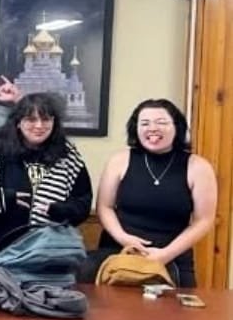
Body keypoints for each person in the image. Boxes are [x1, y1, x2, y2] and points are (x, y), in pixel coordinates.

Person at [91, 98, 216, 287]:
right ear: (136, 129)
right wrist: (124, 239)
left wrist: (165, 254)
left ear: (177, 127)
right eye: (145, 123)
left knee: (176, 314)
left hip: (172, 256)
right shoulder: (120, 160)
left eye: (161, 122)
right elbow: (104, 207)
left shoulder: (198, 166)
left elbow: (203, 220)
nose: (152, 128)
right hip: (119, 252)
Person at [0, 92, 92, 246]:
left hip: (49, 246)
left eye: (45, 119)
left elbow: (83, 202)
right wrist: (7, 198)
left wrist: (58, 210)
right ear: (18, 122)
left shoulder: (68, 155)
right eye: (31, 119)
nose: (39, 126)